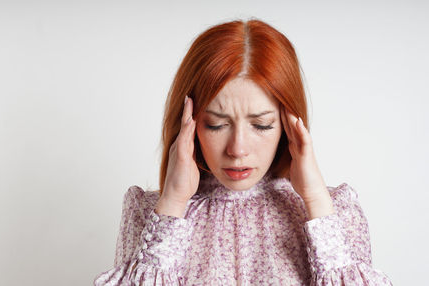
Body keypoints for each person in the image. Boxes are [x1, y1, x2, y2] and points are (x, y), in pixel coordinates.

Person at [94, 18, 393, 285]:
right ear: (189, 124)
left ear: (289, 125)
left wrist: (315, 199)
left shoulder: (335, 214)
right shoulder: (150, 216)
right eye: (216, 125)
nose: (238, 149)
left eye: (261, 125)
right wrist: (173, 202)